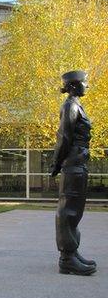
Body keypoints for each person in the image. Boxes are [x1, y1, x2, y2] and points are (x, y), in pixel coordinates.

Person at [51, 70, 96, 275]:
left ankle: (72, 251)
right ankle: (67, 258)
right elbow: (64, 138)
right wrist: (56, 164)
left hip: (79, 163)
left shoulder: (76, 105)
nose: (88, 86)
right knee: (67, 210)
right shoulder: (69, 106)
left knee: (75, 210)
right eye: (85, 83)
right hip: (72, 164)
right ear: (74, 85)